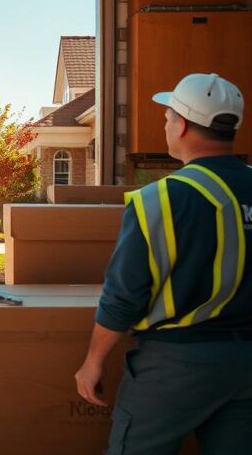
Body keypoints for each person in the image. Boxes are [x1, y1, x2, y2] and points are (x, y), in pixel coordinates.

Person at [75, 73, 252, 454]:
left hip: (177, 364)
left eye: (169, 117)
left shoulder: (160, 200)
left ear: (184, 125)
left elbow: (123, 296)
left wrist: (93, 362)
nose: (167, 125)